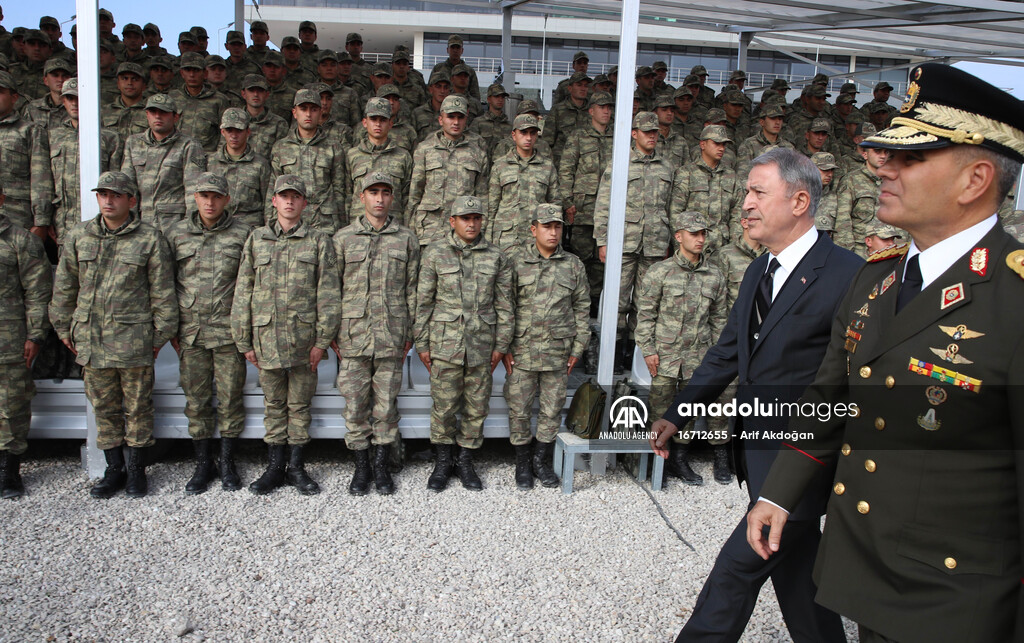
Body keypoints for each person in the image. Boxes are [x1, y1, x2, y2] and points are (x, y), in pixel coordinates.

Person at [745, 63, 1024, 643]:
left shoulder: (1014, 297)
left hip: (956, 598)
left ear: (974, 180)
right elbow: (830, 399)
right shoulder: (876, 278)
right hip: (864, 570)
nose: (884, 167)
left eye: (910, 158)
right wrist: (779, 491)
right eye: (888, 153)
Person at [650, 147, 861, 642]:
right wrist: (677, 415)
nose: (745, 203)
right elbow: (728, 353)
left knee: (735, 571)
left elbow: (848, 384)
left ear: (799, 201)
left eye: (758, 192)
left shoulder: (849, 276)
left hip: (803, 459)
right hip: (758, 452)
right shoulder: (759, 271)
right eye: (746, 191)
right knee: (795, 569)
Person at [50, 171, 179, 499]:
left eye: (116, 195)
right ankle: (113, 469)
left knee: (138, 408)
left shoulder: (149, 239)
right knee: (104, 408)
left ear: (131, 200)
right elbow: (65, 287)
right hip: (92, 340)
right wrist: (64, 328)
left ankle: (136, 470)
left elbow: (163, 293)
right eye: (103, 194)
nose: (108, 201)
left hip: (134, 340)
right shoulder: (80, 237)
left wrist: (158, 337)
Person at [231, 175, 340, 497]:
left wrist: (322, 341)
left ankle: (296, 467)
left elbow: (328, 294)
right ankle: (274, 468)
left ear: (304, 203)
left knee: (300, 405)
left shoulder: (318, 241)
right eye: (284, 196)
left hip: (303, 342)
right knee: (274, 405)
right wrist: (244, 340)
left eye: (295, 196)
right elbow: (243, 290)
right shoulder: (257, 239)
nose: (289, 201)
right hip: (266, 339)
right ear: (274, 201)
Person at [415, 195, 513, 492]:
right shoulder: (435, 254)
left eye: (476, 218)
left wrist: (501, 345)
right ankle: (443, 462)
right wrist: (422, 343)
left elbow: (505, 305)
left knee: (476, 407)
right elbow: (423, 301)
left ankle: (466, 461)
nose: (471, 224)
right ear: (452, 221)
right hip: (445, 344)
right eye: (465, 218)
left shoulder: (496, 256)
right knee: (443, 408)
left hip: (481, 345)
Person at [332, 172, 419, 496]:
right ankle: (361, 467)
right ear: (362, 197)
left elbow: (413, 290)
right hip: (353, 336)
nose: (379, 198)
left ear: (392, 198)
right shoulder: (344, 239)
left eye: (385, 192)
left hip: (391, 335)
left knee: (385, 406)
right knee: (355, 406)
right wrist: (332, 332)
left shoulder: (406, 239)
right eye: (373, 192)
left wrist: (410, 332)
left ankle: (381, 467)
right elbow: (331, 289)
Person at [165, 173, 251, 494]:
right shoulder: (176, 234)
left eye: (216, 196)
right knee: (197, 400)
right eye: (204, 196)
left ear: (227, 199)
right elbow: (166, 283)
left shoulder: (244, 234)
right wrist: (171, 327)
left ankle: (227, 462)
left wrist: (245, 329)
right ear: (195, 197)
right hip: (191, 332)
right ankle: (203, 463)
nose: (210, 202)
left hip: (228, 331)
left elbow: (250, 285)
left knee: (230, 399)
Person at [636, 211, 729, 485]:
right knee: (659, 408)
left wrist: (715, 357)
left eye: (703, 234)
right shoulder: (660, 272)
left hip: (698, 356)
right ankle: (657, 463)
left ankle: (679, 460)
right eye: (694, 234)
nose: (700, 239)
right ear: (679, 236)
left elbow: (719, 319)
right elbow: (645, 315)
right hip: (665, 355)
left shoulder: (714, 275)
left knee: (688, 410)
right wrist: (648, 349)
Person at [503, 204, 590, 489]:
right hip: (522, 349)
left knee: (551, 410)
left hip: (557, 351)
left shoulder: (573, 265)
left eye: (557, 227)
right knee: (519, 409)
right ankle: (522, 463)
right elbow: (504, 307)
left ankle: (540, 461)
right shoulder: (515, 262)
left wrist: (577, 348)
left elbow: (582, 308)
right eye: (546, 226)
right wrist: (504, 347)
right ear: (534, 230)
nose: (553, 232)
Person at [595, 112, 674, 373]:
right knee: (617, 300)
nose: (652, 136)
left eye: (655, 132)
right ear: (634, 133)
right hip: (624, 242)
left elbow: (671, 207)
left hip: (654, 244)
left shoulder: (666, 166)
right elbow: (604, 203)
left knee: (646, 302)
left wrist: (671, 242)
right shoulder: (620, 163)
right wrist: (603, 240)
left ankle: (634, 353)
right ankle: (614, 355)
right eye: (646, 132)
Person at [0, 181, 51, 499]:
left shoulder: (21, 241)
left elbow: (38, 292)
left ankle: (8, 471)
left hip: (9, 337)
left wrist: (35, 334)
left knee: (12, 405)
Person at [406, 95, 489, 246]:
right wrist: (411, 231)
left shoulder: (477, 154)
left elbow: (482, 197)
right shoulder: (424, 150)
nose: (456, 122)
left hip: (464, 232)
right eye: (451, 117)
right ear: (441, 119)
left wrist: (481, 231)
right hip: (430, 230)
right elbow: (415, 194)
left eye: (460, 117)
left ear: (466, 120)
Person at [49, 78, 124, 246]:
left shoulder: (110, 138)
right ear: (63, 101)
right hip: (64, 222)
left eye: (80, 98)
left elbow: (118, 185)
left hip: (102, 222)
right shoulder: (54, 137)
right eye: (70, 98)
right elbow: (46, 183)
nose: (75, 103)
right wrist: (45, 219)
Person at [558, 90, 614, 315]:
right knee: (580, 261)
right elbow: (566, 169)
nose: (606, 111)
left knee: (602, 265)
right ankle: (576, 308)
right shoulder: (579, 136)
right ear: (591, 111)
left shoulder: (618, 137)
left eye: (609, 107)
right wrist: (567, 202)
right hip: (582, 211)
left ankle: (595, 310)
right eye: (602, 107)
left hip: (608, 212)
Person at [121, 93, 208, 233]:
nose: (158, 116)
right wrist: (128, 221)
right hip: (141, 222)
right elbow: (127, 186)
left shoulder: (188, 145)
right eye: (153, 112)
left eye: (163, 112)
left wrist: (190, 226)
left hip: (174, 223)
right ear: (147, 115)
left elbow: (193, 189)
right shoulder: (134, 143)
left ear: (175, 117)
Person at [268, 89, 346, 233]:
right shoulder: (281, 147)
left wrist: (342, 225)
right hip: (290, 221)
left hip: (325, 222)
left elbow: (340, 190)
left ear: (320, 112)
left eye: (313, 109)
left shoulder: (333, 147)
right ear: (294, 112)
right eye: (303, 109)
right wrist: (271, 223)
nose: (308, 114)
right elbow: (273, 188)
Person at [486, 114, 560, 252]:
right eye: (523, 132)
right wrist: (488, 240)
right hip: (506, 238)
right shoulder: (500, 166)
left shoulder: (547, 166)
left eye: (533, 133)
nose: (528, 138)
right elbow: (491, 207)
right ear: (514, 135)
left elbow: (555, 206)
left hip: (536, 238)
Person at [0, 69, 53, 239]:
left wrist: (41, 222)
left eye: (0, 92)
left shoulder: (30, 131)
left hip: (15, 217)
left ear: (14, 97)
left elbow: (41, 179)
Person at [341, 97, 413, 223]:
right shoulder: (352, 155)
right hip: (359, 225)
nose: (378, 124)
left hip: (393, 225)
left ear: (390, 124)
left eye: (383, 120)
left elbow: (408, 197)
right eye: (373, 119)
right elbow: (346, 194)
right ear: (365, 122)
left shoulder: (403, 156)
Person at [206, 108, 272, 228]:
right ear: (222, 132)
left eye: (239, 130)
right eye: (229, 130)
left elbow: (268, 202)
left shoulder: (260, 164)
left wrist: (267, 230)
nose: (234, 135)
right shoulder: (211, 162)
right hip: (219, 225)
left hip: (250, 225)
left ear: (248, 132)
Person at [542, 70, 590, 165]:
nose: (583, 88)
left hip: (586, 163)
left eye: (585, 86)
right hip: (561, 161)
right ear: (570, 88)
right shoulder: (558, 110)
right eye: (579, 85)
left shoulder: (592, 110)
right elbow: (547, 141)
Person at [239, 74, 289, 160]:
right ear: (243, 94)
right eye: (251, 90)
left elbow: (281, 157)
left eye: (260, 90)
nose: (256, 94)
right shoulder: (235, 121)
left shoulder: (279, 124)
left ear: (267, 94)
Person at [102, 62, 149, 141]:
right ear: (118, 84)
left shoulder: (152, 112)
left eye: (135, 79)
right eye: (125, 78)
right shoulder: (104, 111)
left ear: (144, 85)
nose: (129, 83)